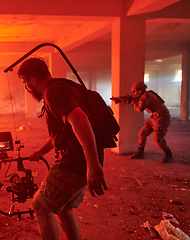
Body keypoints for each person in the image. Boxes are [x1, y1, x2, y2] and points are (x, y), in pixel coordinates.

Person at [17, 57, 107, 240]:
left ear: (33, 81)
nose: (27, 88)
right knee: (64, 209)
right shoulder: (65, 86)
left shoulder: (53, 93)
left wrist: (93, 165)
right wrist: (42, 151)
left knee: (41, 206)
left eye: (26, 84)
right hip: (81, 160)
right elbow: (67, 130)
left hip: (73, 162)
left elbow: (80, 120)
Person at [128, 82, 174, 163]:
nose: (134, 93)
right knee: (142, 133)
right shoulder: (146, 94)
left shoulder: (146, 96)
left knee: (157, 138)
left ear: (140, 90)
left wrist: (133, 103)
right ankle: (140, 153)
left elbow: (140, 109)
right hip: (155, 116)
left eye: (135, 91)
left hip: (161, 116)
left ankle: (169, 156)